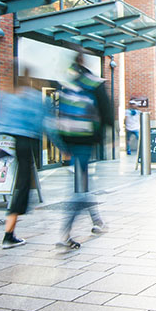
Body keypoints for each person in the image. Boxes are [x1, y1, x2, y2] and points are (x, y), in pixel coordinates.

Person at [57, 53, 113, 249]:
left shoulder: (68, 83)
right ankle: (65, 234)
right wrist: (105, 138)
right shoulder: (94, 83)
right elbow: (107, 113)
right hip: (85, 141)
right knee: (80, 188)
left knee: (83, 181)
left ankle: (98, 222)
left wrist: (63, 144)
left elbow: (60, 114)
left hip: (70, 141)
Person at [0, 71, 45, 249]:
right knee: (23, 187)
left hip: (15, 143)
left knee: (22, 185)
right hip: (27, 143)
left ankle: (10, 232)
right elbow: (44, 123)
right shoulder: (32, 98)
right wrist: (62, 146)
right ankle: (8, 235)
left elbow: (2, 121)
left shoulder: (10, 96)